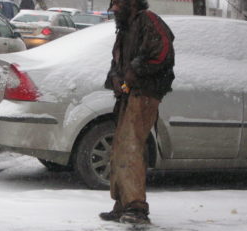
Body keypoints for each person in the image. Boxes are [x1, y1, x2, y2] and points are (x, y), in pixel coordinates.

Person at [99, 0, 175, 225]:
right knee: (120, 149)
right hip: (128, 94)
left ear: (131, 3)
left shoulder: (148, 20)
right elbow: (117, 62)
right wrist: (115, 78)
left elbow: (162, 53)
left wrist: (134, 71)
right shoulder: (125, 28)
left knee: (131, 147)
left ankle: (136, 207)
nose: (113, 9)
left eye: (117, 4)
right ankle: (123, 203)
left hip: (145, 92)